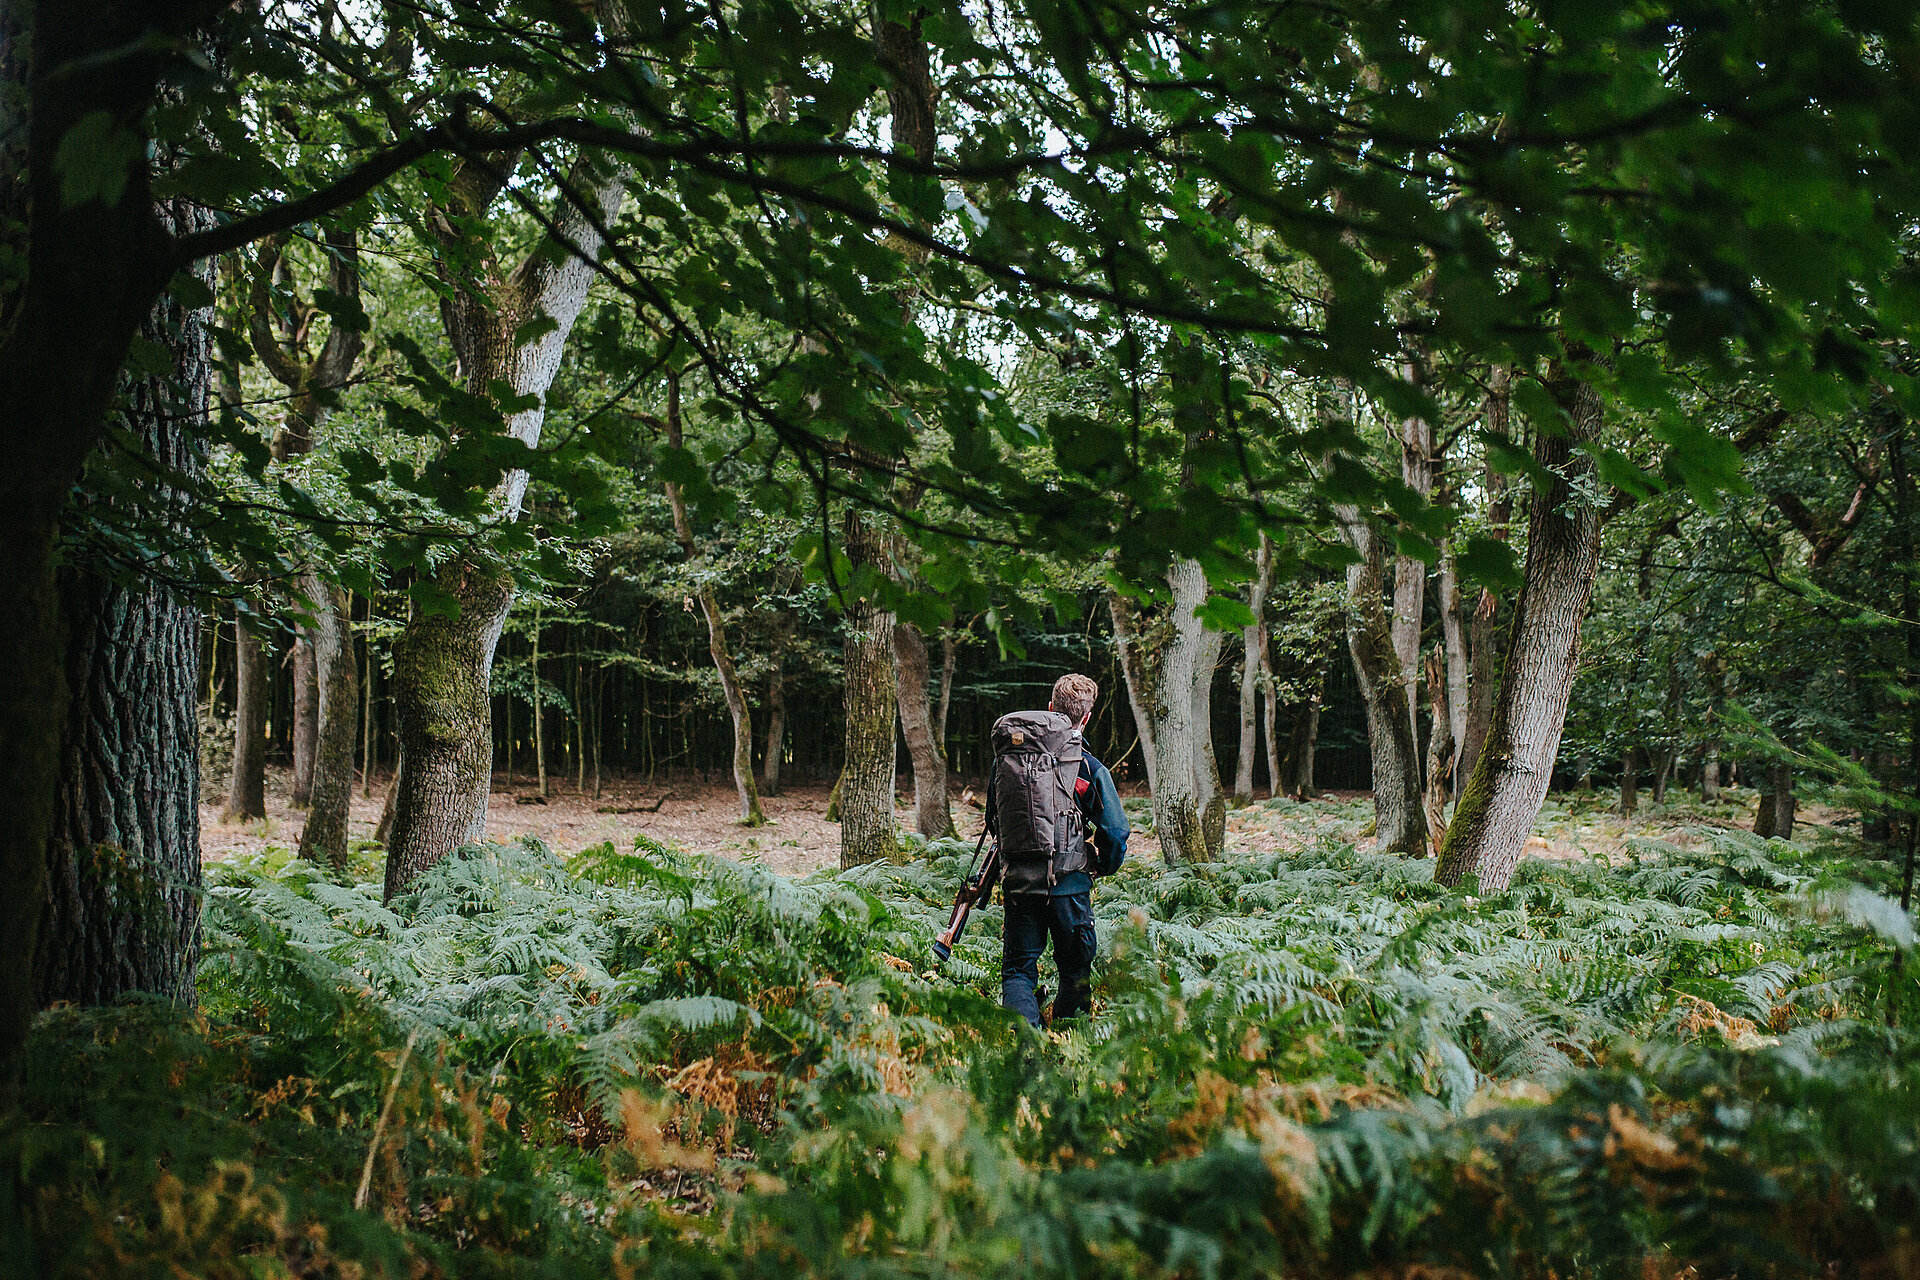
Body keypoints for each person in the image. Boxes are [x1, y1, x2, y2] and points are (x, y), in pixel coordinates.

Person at [984, 673, 1130, 1028]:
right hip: (1070, 887)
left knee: (1018, 970)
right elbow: (1115, 830)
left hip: (1020, 884)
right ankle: (1070, 1044)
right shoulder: (1087, 767)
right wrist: (1100, 864)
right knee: (1075, 969)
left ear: (1051, 709)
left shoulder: (1007, 763)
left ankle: (1026, 1051)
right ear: (1087, 716)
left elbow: (993, 819)